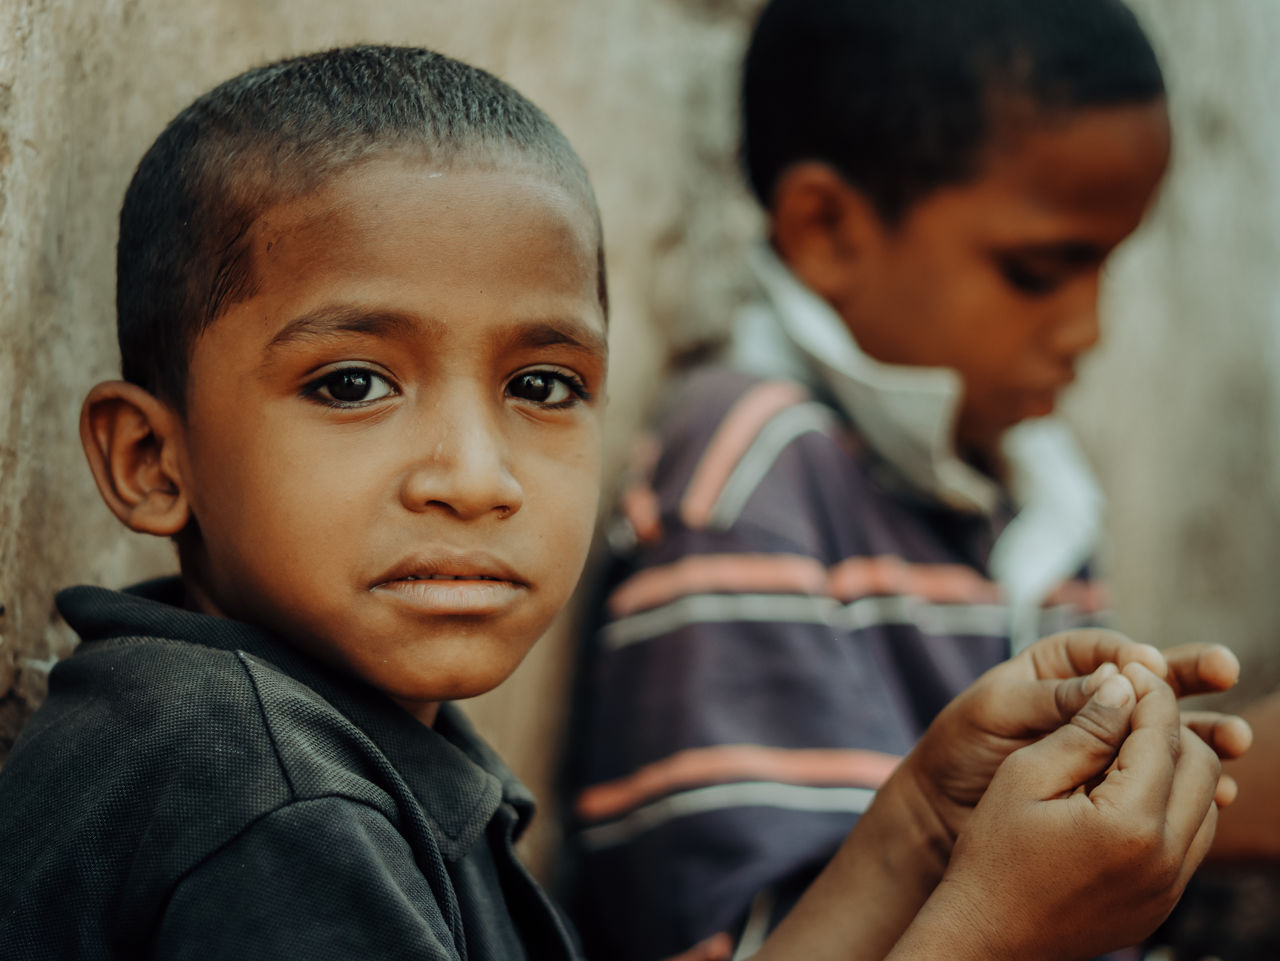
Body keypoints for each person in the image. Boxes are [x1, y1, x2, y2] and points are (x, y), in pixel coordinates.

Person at [0, 43, 1245, 961]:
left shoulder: (344, 737)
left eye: (542, 383)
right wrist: (998, 935)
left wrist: (920, 828)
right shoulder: (258, 793)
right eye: (352, 382)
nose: (473, 476)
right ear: (152, 460)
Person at [564, 1, 1192, 958]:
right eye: (1037, 271)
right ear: (826, 229)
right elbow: (756, 934)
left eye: (1105, 268)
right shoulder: (751, 479)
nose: (1086, 331)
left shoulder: (1031, 481)